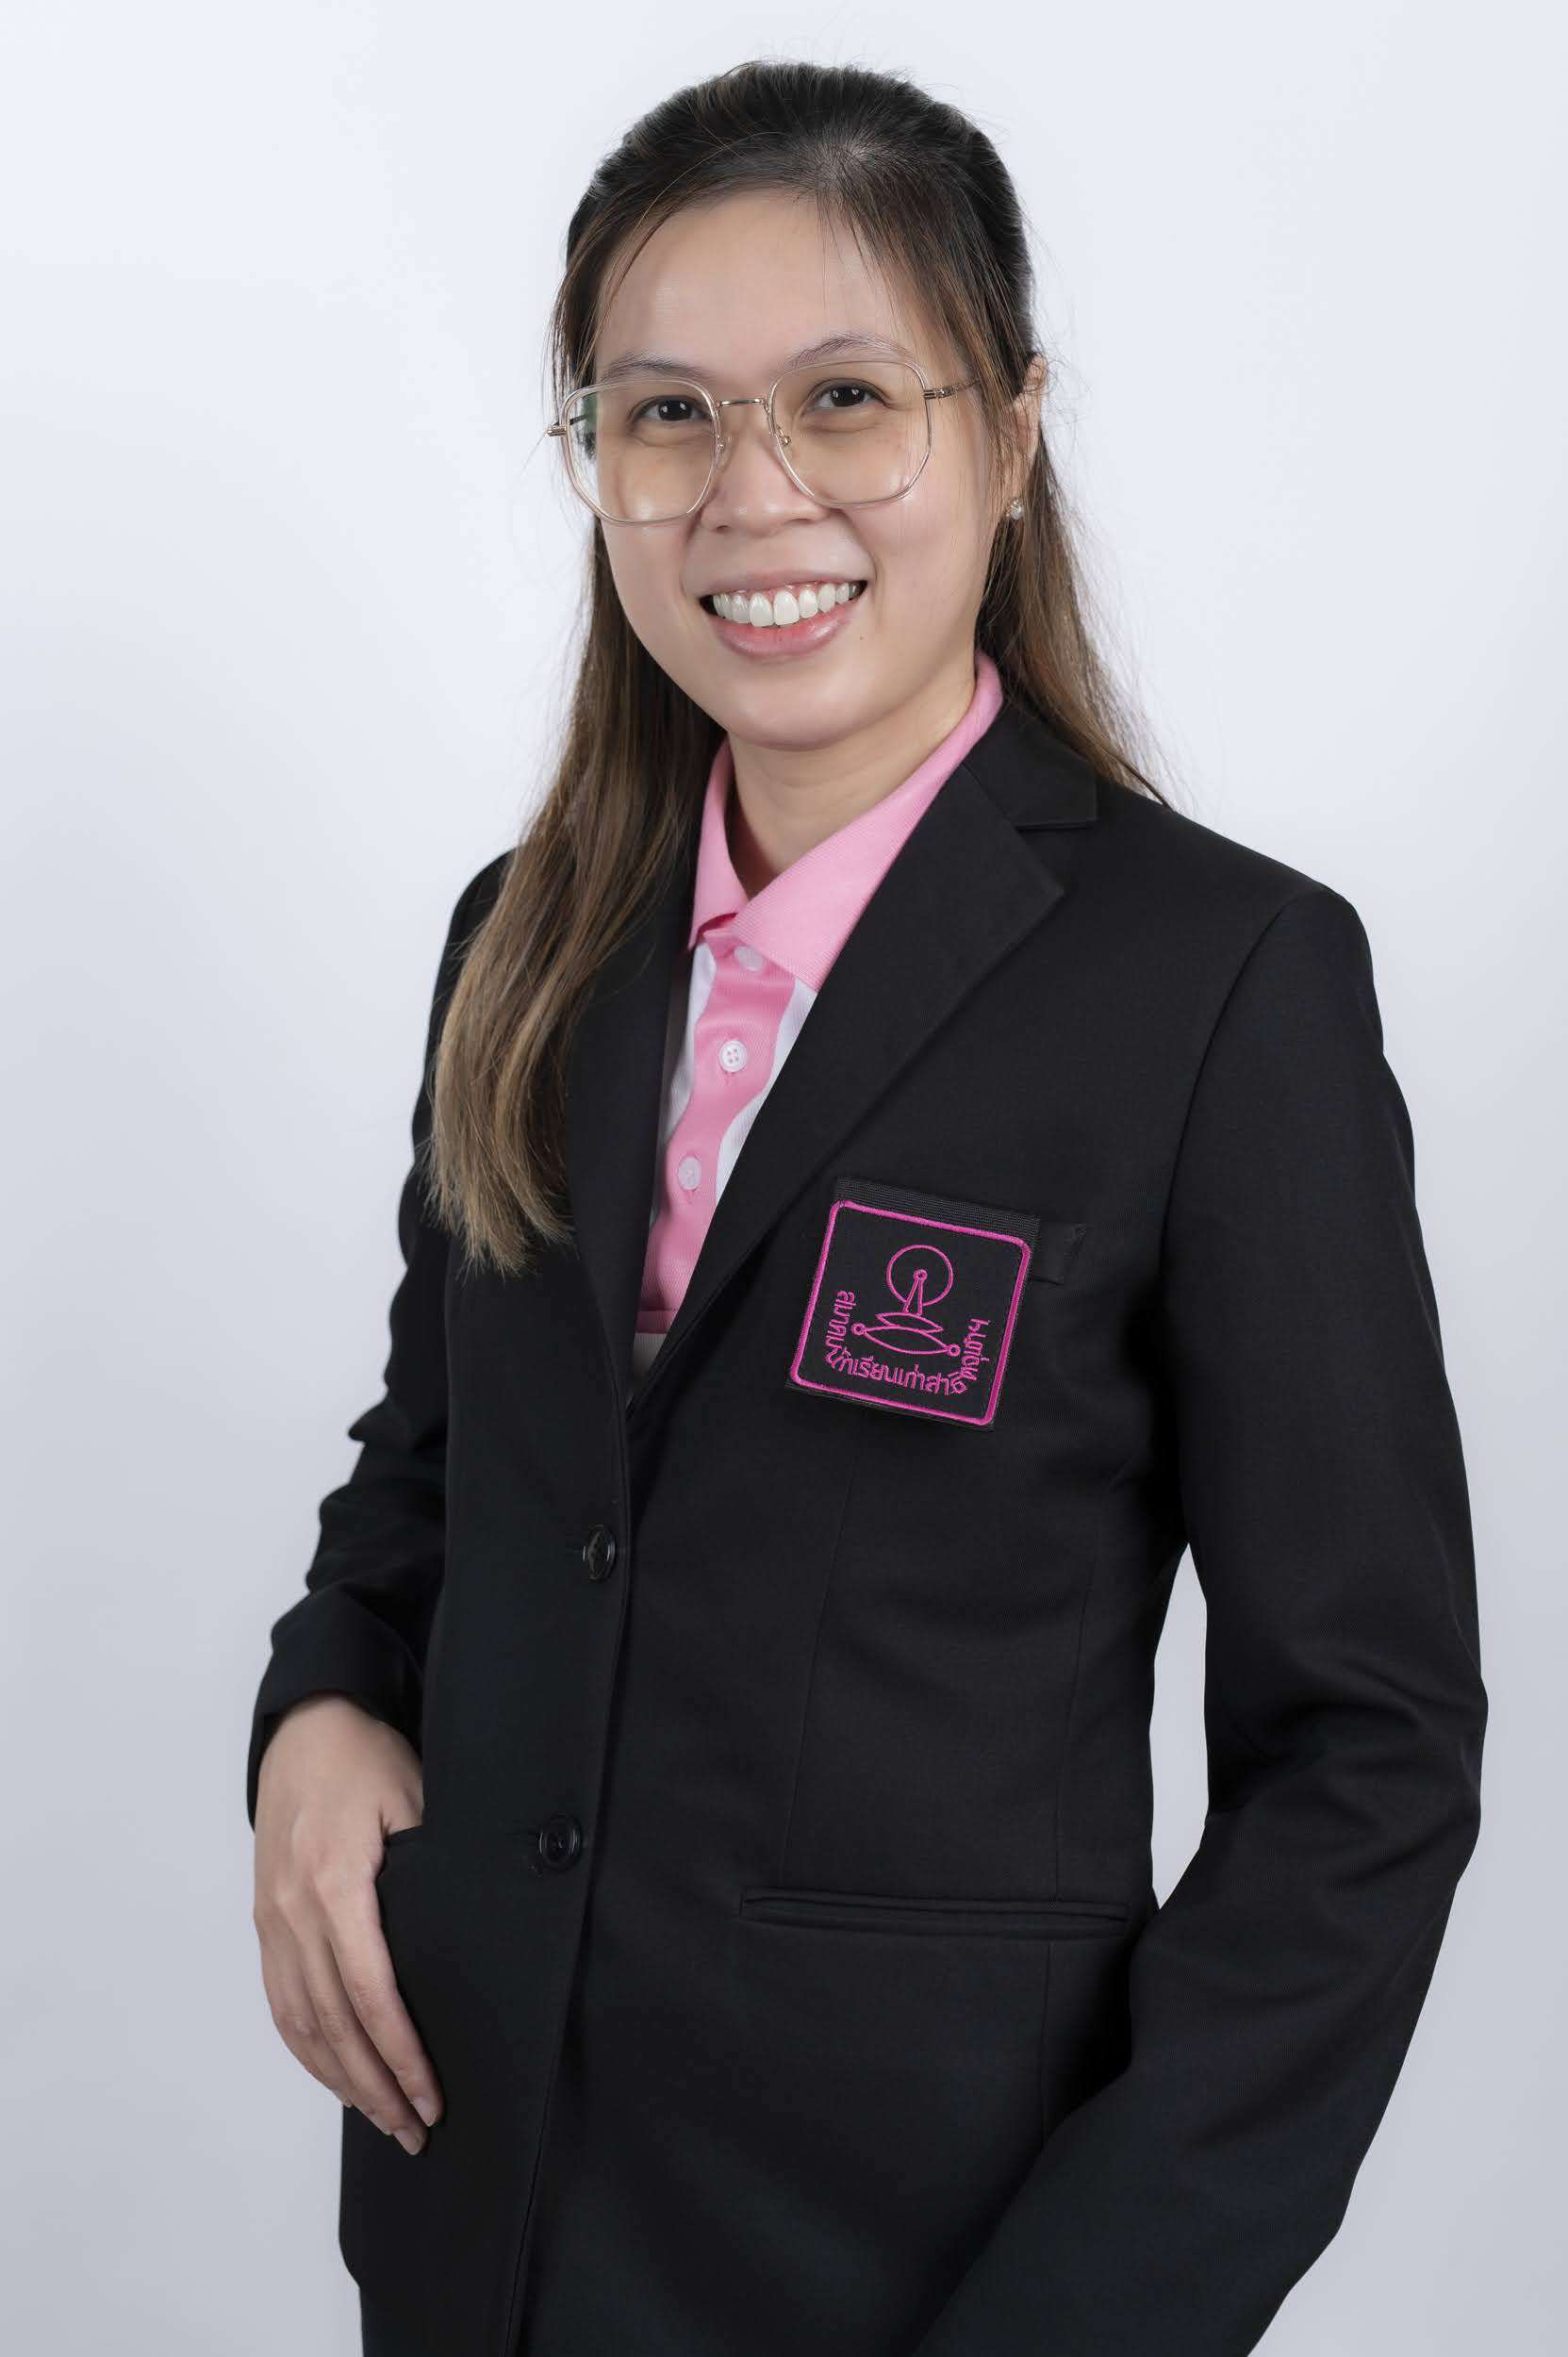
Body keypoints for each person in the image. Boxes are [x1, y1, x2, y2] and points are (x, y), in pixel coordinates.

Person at [246, 57, 1488, 2357]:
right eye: (664, 415)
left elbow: (1368, 1748)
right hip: (470, 2232)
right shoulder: (520, 944)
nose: (754, 492)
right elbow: (433, 1476)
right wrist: (321, 1702)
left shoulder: (1221, 984)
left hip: (922, 2271)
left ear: (1008, 438)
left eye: (844, 396)